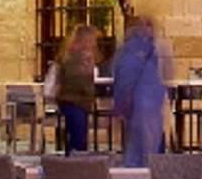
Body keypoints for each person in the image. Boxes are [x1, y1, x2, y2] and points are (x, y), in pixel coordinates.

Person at [110, 15, 173, 168]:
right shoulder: (157, 48)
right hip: (152, 103)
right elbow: (167, 74)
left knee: (137, 147)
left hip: (135, 103)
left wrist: (120, 106)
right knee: (150, 145)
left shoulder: (127, 50)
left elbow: (122, 77)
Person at [52, 25, 98, 154]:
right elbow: (77, 81)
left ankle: (74, 163)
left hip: (76, 101)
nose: (94, 43)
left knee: (77, 136)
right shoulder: (74, 57)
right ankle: (76, 166)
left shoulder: (75, 55)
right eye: (92, 40)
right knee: (78, 138)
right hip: (73, 101)